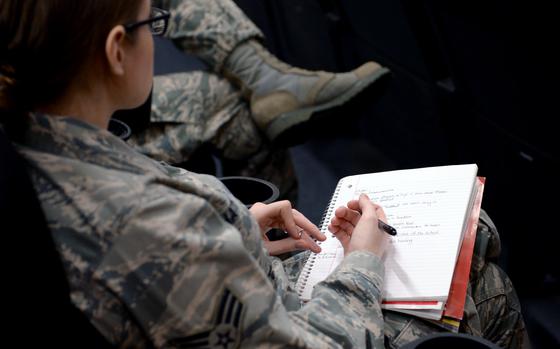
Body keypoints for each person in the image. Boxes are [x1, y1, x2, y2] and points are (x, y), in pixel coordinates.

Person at [0, 1, 526, 348]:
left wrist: (237, 229)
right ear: (117, 50)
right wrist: (364, 261)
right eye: (150, 22)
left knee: (473, 237)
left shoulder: (33, 148)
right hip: (295, 321)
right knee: (486, 278)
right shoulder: (160, 228)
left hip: (229, 288)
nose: (156, 35)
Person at [121, 0, 390, 204]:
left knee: (254, 105)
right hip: (89, 132)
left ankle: (266, 79)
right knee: (238, 110)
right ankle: (272, 262)